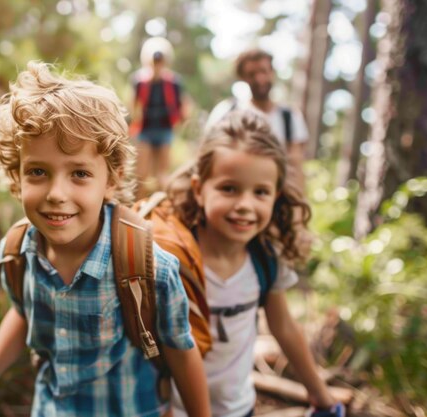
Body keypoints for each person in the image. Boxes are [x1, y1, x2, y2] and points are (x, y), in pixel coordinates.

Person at [0, 61, 210, 417]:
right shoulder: (18, 250)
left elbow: (181, 353)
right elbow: (24, 314)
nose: (56, 193)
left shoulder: (149, 268)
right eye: (38, 171)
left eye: (80, 173)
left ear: (110, 180)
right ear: (16, 175)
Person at [167, 108, 341, 417]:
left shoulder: (265, 260)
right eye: (229, 188)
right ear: (199, 189)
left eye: (260, 192)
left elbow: (284, 327)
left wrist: (320, 395)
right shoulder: (172, 258)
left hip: (238, 409)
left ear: (275, 196)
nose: (245, 205)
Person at [206, 49, 308, 191]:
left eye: (263, 71)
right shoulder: (227, 111)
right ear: (242, 78)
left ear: (272, 72)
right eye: (251, 74)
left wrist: (298, 205)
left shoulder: (290, 116)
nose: (259, 79)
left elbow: (296, 164)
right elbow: (206, 155)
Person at [131, 37, 186, 198]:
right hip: (146, 129)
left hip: (164, 130)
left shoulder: (174, 82)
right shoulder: (140, 81)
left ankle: (162, 208)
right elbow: (135, 106)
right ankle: (138, 207)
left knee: (162, 175)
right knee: (141, 175)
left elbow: (181, 106)